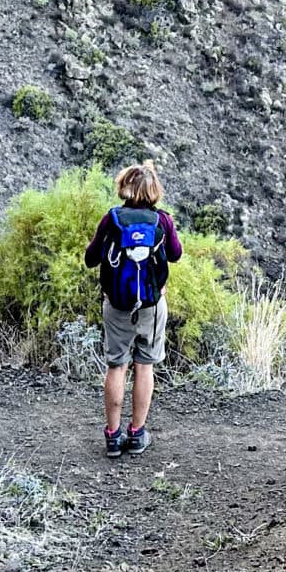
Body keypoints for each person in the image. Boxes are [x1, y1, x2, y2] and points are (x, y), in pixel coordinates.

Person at [83, 163, 182, 456]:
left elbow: (91, 258)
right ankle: (137, 433)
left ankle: (112, 437)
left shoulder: (112, 218)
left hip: (116, 305)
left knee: (117, 366)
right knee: (144, 365)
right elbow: (175, 255)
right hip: (151, 305)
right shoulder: (162, 221)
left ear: (124, 186)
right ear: (154, 191)